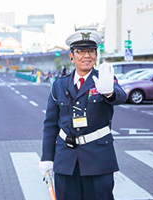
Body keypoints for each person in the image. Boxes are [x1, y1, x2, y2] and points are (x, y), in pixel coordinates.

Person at [39, 30, 127, 200]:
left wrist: (109, 93)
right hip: (66, 159)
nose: (87, 56)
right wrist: (47, 158)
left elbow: (120, 95)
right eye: (81, 52)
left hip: (98, 158)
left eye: (91, 51)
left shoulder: (104, 79)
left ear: (96, 55)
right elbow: (50, 125)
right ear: (71, 57)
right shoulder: (59, 84)